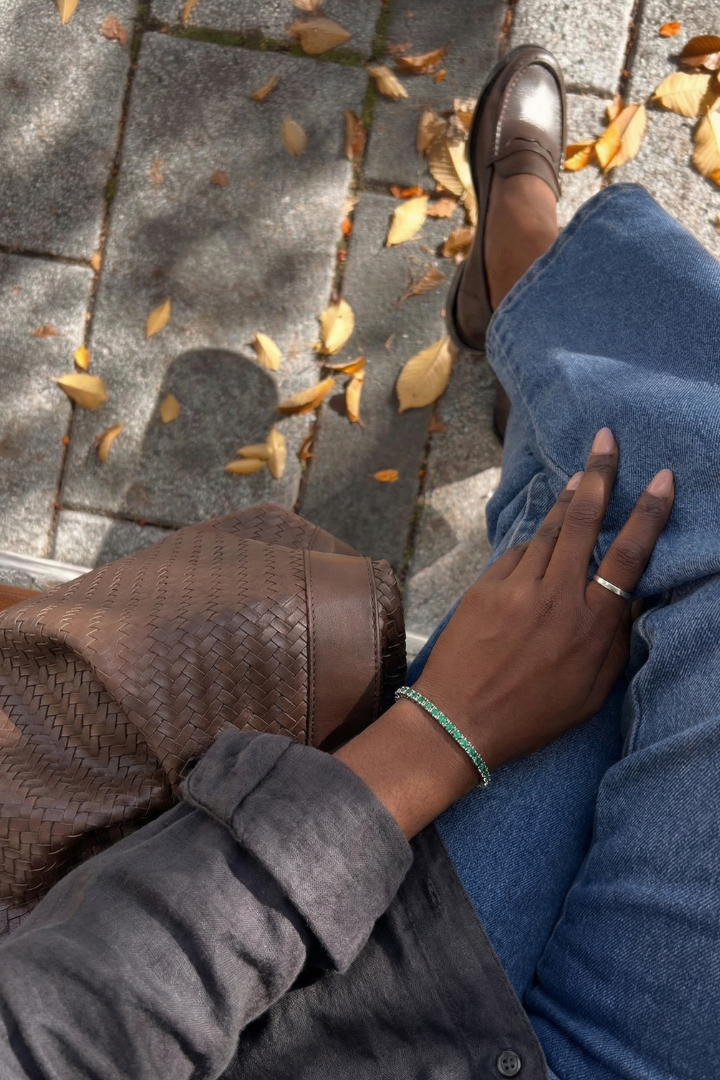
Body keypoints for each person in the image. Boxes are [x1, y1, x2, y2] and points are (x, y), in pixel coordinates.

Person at [0, 43, 717, 1080]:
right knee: (617, 514)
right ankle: (522, 287)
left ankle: (523, 286)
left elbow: (68, 1031)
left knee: (628, 524)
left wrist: (444, 731)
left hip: (344, 1003)